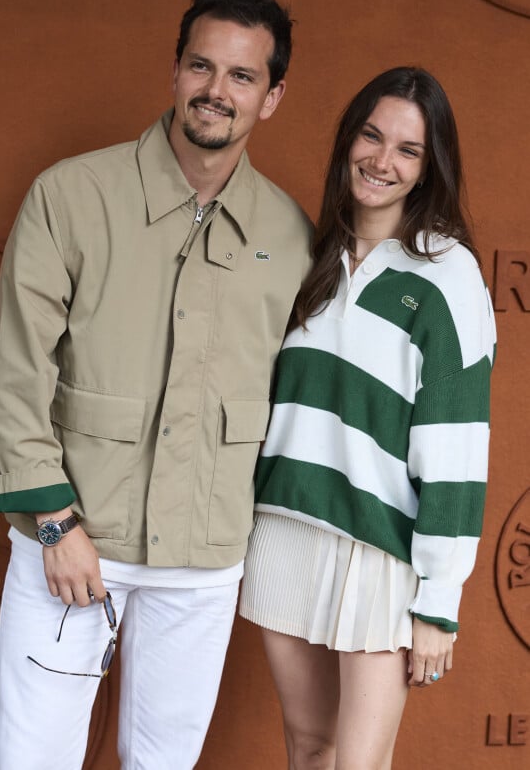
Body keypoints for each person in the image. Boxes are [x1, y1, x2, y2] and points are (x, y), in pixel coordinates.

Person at [0, 0, 311, 770]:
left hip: (200, 567)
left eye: (242, 77)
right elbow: (18, 376)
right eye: (201, 67)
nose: (216, 91)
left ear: (272, 97)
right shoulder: (71, 195)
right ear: (173, 71)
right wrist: (55, 526)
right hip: (69, 543)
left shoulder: (291, 235)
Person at [239, 66, 496, 770]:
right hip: (287, 528)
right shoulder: (308, 255)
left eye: (408, 150)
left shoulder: (448, 277)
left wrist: (439, 600)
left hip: (380, 548)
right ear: (349, 139)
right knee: (308, 749)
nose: (382, 161)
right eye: (372, 135)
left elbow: (456, 447)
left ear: (428, 167)